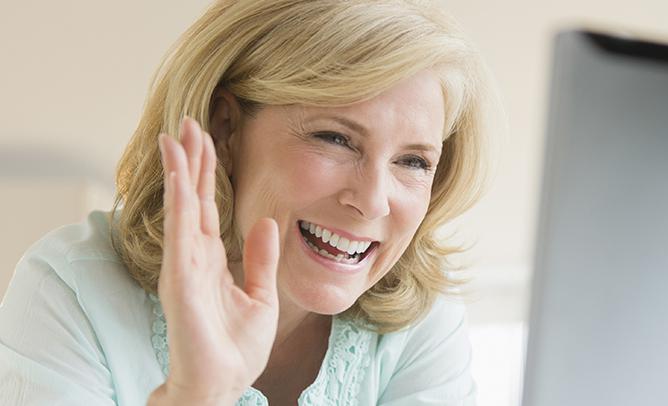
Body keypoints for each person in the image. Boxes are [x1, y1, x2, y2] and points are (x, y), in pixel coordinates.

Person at [0, 0, 495, 404]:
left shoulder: (423, 322)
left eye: (412, 162)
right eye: (335, 139)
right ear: (226, 129)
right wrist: (197, 395)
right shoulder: (70, 288)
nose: (371, 202)